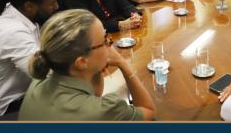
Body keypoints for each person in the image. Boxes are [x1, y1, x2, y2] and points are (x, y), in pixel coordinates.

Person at [18, 9, 155, 120]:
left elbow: (94, 93)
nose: (110, 44)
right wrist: (122, 63)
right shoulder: (105, 110)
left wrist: (96, 66)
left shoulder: (39, 79)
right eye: (104, 40)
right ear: (82, 62)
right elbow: (148, 111)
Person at [0, 0, 58, 119]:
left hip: (27, 95)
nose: (57, 6)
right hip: (6, 110)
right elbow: (46, 75)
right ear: (29, 6)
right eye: (52, 3)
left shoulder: (27, 19)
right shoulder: (11, 31)